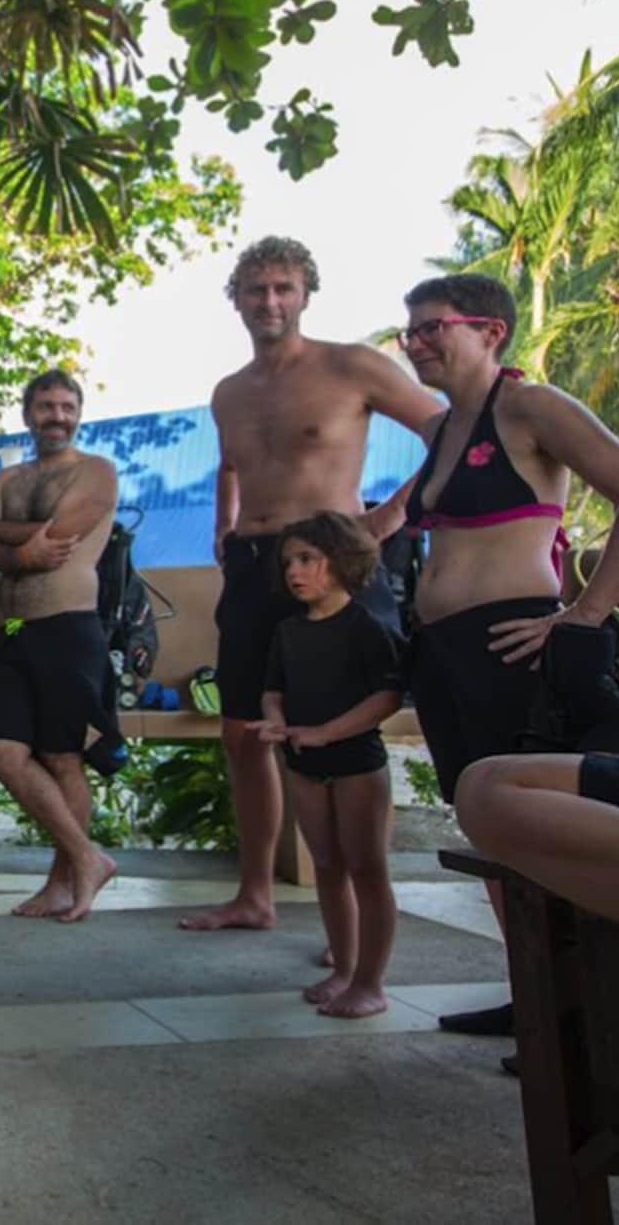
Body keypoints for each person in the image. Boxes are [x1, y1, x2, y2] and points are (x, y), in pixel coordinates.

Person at [393, 273, 619, 1037]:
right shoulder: (438, 430)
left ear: (491, 331)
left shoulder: (529, 406)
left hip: (515, 642)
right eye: (408, 332)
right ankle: (537, 997)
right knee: (490, 826)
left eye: (433, 328)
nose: (417, 343)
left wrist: (583, 616)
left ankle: (591, 1009)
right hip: (445, 654)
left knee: (544, 820)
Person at [183, 237, 445, 934]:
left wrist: (385, 519)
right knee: (243, 731)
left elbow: (448, 432)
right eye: (255, 288)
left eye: (283, 288)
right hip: (251, 565)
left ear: (304, 294)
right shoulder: (228, 392)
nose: (269, 300)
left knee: (343, 730)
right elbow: (231, 466)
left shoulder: (350, 365)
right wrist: (224, 527)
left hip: (335, 557)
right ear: (235, 297)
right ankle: (255, 895)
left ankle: (358, 925)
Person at [0, 370, 121, 922]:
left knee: (62, 756)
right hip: (13, 631)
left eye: (66, 406)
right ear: (27, 412)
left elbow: (63, 533)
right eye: (45, 406)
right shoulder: (8, 477)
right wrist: (19, 552)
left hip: (69, 628)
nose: (56, 416)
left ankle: (62, 883)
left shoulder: (97, 472)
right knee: (1, 753)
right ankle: (88, 859)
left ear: (78, 413)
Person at [254, 513, 406, 1017]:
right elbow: (273, 690)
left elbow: (386, 697)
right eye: (288, 562)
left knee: (367, 868)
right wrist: (276, 722)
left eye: (307, 559)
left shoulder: (367, 626)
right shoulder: (288, 631)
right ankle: (343, 968)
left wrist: (324, 733)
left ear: (340, 561)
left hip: (357, 765)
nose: (295, 571)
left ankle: (370, 982)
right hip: (303, 765)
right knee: (327, 866)